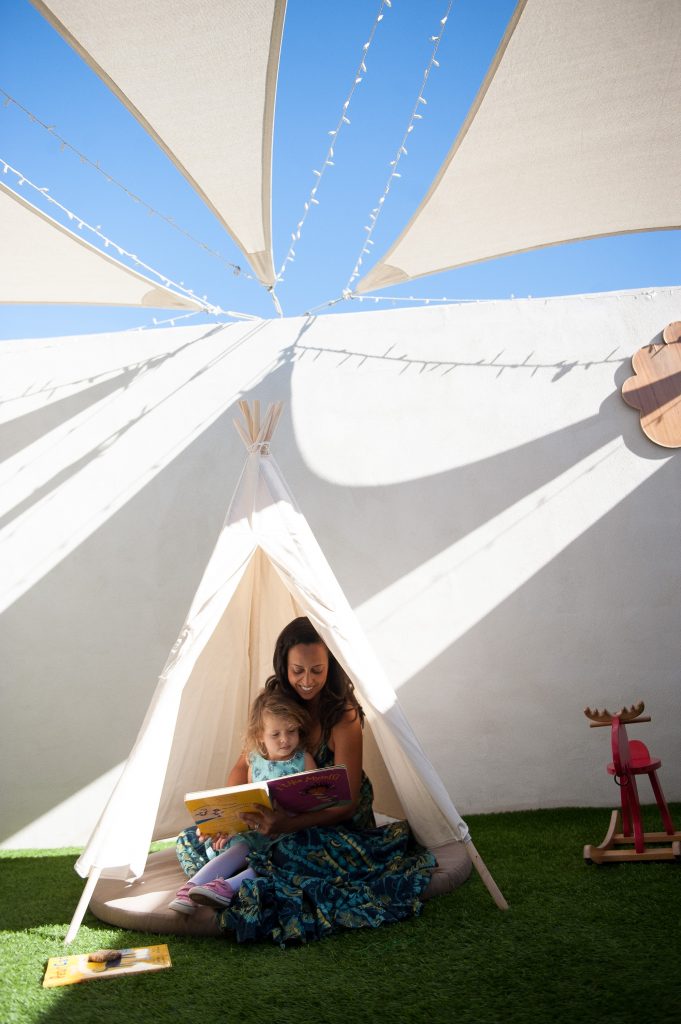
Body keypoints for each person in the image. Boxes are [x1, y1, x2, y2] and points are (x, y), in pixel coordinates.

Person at [175, 616, 436, 944]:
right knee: (189, 840)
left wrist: (285, 826)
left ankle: (232, 883)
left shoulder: (344, 715)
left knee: (288, 850)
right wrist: (231, 818)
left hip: (331, 826)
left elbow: (348, 802)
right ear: (284, 665)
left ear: (332, 666)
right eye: (298, 670)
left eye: (317, 669)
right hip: (273, 823)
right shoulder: (276, 705)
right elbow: (243, 766)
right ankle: (235, 877)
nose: (307, 680)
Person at [169, 690, 316, 913]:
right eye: (275, 734)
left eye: (291, 731)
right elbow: (245, 804)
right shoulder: (254, 760)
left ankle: (225, 887)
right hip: (256, 833)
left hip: (289, 834)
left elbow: (313, 799)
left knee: (274, 861)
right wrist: (227, 827)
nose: (285, 739)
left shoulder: (303, 759)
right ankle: (190, 888)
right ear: (260, 736)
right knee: (240, 848)